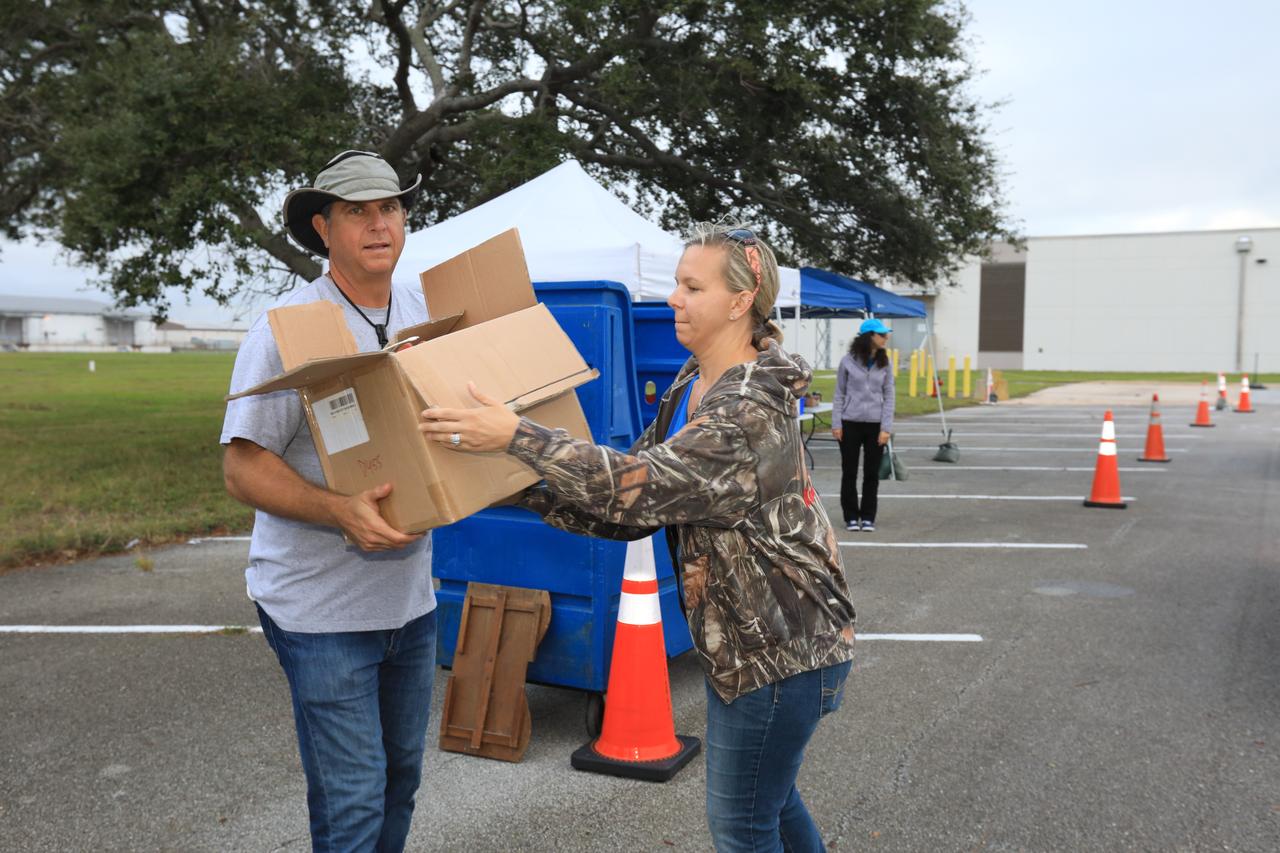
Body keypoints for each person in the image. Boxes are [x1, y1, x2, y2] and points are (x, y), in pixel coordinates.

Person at [419, 223, 857, 852]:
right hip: (753, 645)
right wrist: (516, 486)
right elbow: (633, 511)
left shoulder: (746, 412)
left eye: (691, 286)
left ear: (739, 301)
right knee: (773, 803)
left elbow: (639, 484)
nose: (673, 297)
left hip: (781, 654)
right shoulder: (693, 384)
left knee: (742, 825)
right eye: (676, 282)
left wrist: (518, 438)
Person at [221, 150, 437, 853]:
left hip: (412, 601)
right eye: (358, 211)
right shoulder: (287, 328)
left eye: (392, 207)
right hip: (319, 611)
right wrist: (340, 509)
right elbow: (242, 467)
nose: (381, 224)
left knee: (399, 780)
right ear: (323, 227)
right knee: (352, 800)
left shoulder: (425, 313)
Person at [831, 318, 896, 533]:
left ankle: (868, 516)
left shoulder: (885, 363)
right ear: (869, 336)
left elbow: (889, 395)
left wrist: (886, 428)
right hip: (850, 423)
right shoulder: (847, 361)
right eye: (881, 334)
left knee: (871, 473)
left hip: (876, 425)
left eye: (885, 334)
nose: (886, 337)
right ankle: (850, 516)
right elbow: (839, 393)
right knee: (849, 472)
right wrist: (836, 423)